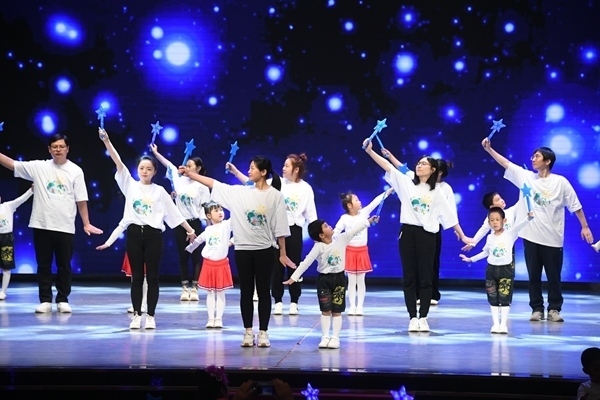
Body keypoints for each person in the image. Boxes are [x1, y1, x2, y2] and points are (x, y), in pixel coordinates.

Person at [181, 155, 292, 348]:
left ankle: (263, 332)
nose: (249, 171)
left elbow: (281, 227)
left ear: (263, 172)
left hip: (265, 250)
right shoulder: (240, 192)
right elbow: (213, 183)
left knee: (263, 292)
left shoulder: (275, 196)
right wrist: (190, 174)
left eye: (253, 168)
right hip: (243, 250)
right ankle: (248, 332)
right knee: (246, 292)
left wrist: (282, 253)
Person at [481, 137, 594, 322]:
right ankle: (537, 308)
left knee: (554, 276)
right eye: (532, 156)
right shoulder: (526, 177)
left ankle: (554, 309)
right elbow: (506, 163)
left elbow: (576, 206)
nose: (533, 159)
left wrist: (585, 226)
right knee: (533, 276)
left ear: (547, 161)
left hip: (553, 238)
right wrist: (489, 150)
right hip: (531, 237)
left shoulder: (561, 182)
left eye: (537, 156)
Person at [363, 139, 470, 333]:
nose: (419, 165)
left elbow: (449, 216)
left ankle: (424, 317)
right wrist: (370, 151)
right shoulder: (406, 181)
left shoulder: (437, 191)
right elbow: (388, 166)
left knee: (426, 277)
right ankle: (413, 317)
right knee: (409, 277)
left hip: (427, 236)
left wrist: (463, 236)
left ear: (432, 170)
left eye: (424, 164)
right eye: (419, 163)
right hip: (408, 233)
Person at [99, 128, 196, 329]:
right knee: (136, 277)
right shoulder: (130, 185)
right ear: (137, 170)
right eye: (142, 168)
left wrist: (190, 230)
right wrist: (107, 141)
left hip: (153, 237)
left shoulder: (160, 191)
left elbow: (175, 215)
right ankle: (136, 315)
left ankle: (150, 316)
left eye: (149, 169)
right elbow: (118, 162)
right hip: (134, 234)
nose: (145, 171)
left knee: (152, 277)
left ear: (154, 172)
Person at [0, 133, 103, 313]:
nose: (58, 150)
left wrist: (86, 223)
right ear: (49, 149)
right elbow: (12, 164)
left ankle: (63, 299)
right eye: (54, 147)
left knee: (64, 266)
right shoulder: (39, 167)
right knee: (43, 265)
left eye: (61, 146)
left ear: (67, 149)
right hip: (42, 224)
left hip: (65, 226)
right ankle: (45, 300)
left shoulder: (76, 171)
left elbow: (81, 200)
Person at [227, 153, 318, 316]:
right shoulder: (277, 183)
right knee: (276, 267)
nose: (283, 168)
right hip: (275, 230)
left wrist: (318, 236)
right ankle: (278, 301)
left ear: (296, 169)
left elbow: (312, 216)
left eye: (287, 166)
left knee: (294, 265)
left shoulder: (306, 188)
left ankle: (294, 301)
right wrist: (235, 172)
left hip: (294, 230)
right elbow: (252, 184)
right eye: (283, 165)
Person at [284, 215, 376, 349]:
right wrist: (294, 277)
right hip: (324, 281)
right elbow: (306, 262)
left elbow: (355, 229)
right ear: (321, 235)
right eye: (326, 226)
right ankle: (325, 336)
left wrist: (368, 222)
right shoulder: (318, 247)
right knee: (325, 310)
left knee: (337, 311)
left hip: (339, 280)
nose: (330, 226)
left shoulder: (341, 239)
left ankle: (335, 337)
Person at [151, 143, 210, 302]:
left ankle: (195, 288)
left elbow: (205, 208)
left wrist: (210, 229)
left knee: (196, 256)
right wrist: (156, 153)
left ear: (198, 169)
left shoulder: (202, 186)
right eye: (186, 165)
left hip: (195, 223)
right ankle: (184, 288)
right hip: (180, 224)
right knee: (183, 256)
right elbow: (169, 164)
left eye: (190, 166)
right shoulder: (178, 180)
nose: (186, 167)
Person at [460, 207, 534, 334]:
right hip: (491, 271)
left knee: (505, 298)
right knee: (493, 298)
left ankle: (503, 325)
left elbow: (521, 225)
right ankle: (495, 324)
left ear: (504, 221)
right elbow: (485, 252)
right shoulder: (490, 238)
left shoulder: (510, 234)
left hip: (506, 270)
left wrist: (529, 218)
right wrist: (471, 259)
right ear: (489, 222)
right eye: (492, 220)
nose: (495, 222)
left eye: (497, 219)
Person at [335, 188, 393, 315]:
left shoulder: (364, 213)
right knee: (351, 282)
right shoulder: (344, 218)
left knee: (361, 281)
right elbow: (336, 232)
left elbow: (376, 201)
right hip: (350, 252)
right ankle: (352, 306)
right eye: (356, 200)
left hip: (362, 251)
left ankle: (360, 306)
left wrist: (390, 190)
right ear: (349, 205)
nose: (360, 202)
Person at [185, 201, 234, 329]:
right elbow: (198, 240)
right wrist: (189, 248)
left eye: (221, 210)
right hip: (209, 265)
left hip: (221, 264)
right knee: (211, 293)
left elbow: (239, 222)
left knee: (220, 292)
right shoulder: (208, 230)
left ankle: (219, 319)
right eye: (216, 211)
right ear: (208, 215)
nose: (220, 212)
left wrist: (232, 241)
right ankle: (211, 318)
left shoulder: (226, 225)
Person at [96, 221, 148, 314]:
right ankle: (137, 304)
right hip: (135, 245)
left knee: (145, 276)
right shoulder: (131, 214)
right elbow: (121, 226)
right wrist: (108, 243)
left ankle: (143, 304)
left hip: (149, 244)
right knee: (136, 276)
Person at [0, 185, 33, 300]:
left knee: (6, 266)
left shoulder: (7, 206)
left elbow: (21, 200)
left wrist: (31, 191)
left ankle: (3, 292)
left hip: (6, 239)